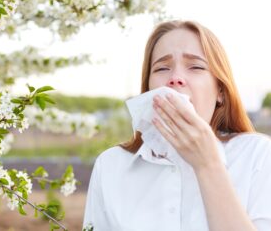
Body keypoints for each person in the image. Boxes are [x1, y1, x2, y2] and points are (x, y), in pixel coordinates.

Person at [82, 20, 271, 231]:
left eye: (196, 67)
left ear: (220, 91)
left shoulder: (259, 156)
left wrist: (208, 165)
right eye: (162, 68)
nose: (175, 78)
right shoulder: (110, 166)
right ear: (148, 89)